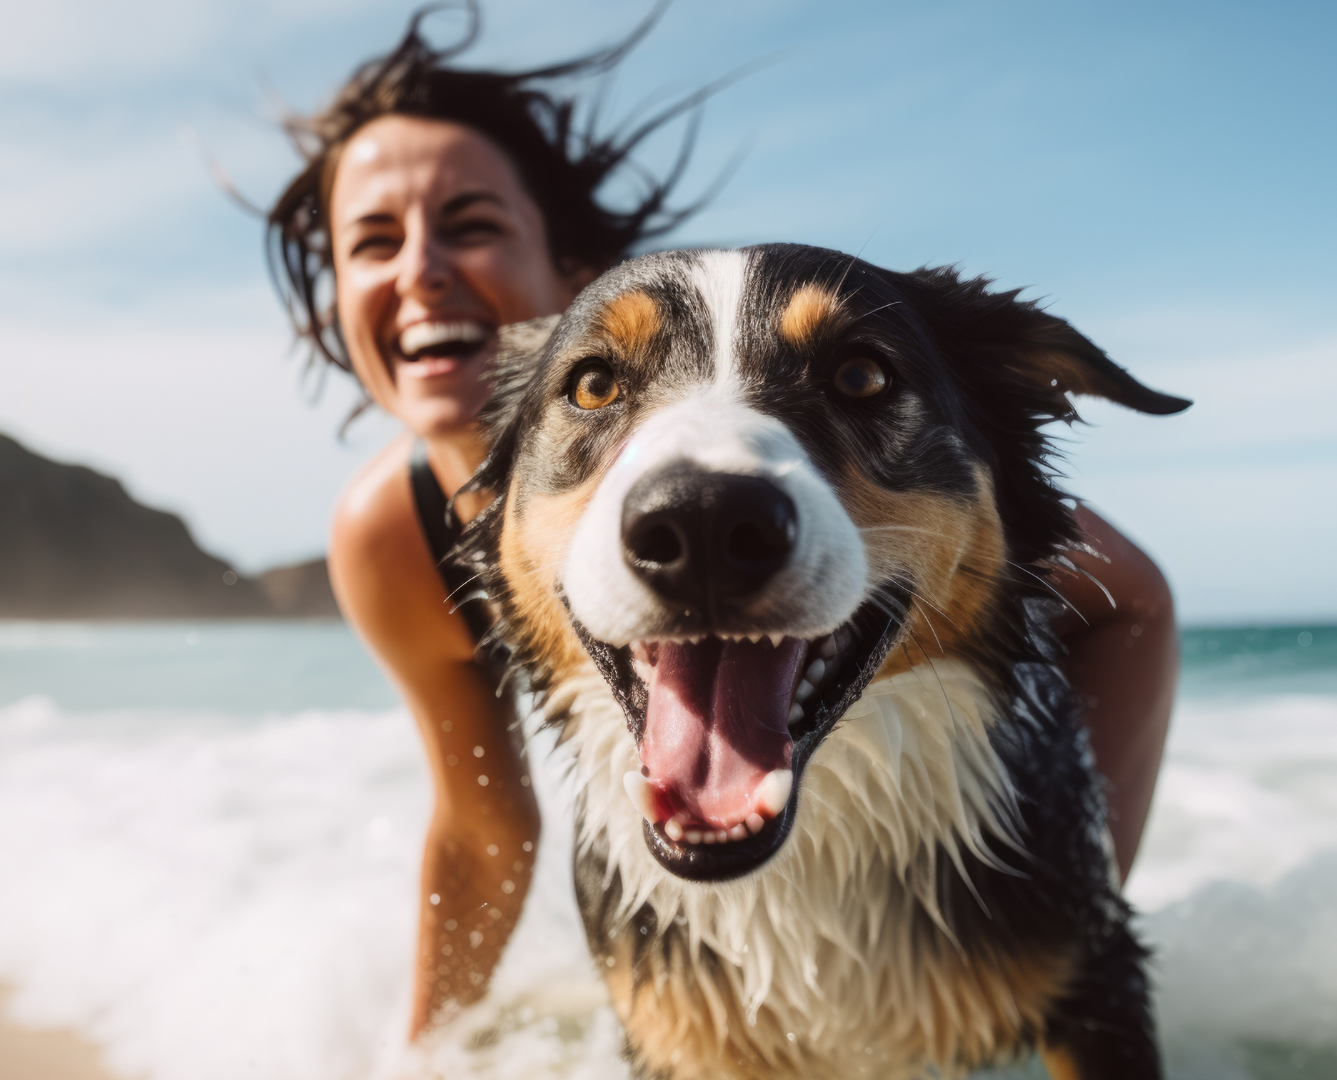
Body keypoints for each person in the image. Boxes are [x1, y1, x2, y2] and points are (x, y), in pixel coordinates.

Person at [266, 7, 1178, 1042]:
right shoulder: (392, 532)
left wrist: (1089, 880)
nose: (419, 268)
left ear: (573, 269)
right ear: (337, 296)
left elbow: (1128, 600)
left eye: (470, 223)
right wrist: (418, 1062)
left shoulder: (790, 414)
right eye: (371, 241)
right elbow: (483, 828)